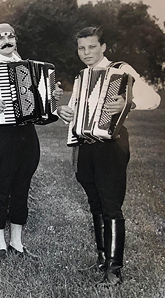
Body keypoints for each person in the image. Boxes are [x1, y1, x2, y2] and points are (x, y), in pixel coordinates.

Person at [57, 26, 160, 286]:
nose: (86, 52)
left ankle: (114, 271)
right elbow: (75, 109)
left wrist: (128, 102)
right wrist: (65, 112)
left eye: (92, 46)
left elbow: (153, 98)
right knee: (95, 204)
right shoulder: (81, 76)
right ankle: (103, 260)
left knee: (110, 206)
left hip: (111, 145)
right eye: (81, 48)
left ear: (103, 47)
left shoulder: (121, 69)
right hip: (86, 145)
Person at [0, 23, 62, 260]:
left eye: (10, 36)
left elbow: (46, 105)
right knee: (1, 189)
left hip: (27, 135)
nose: (6, 40)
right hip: (1, 136)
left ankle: (17, 243)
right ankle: (0, 244)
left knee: (21, 188)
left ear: (15, 40)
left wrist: (52, 98)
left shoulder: (29, 67)